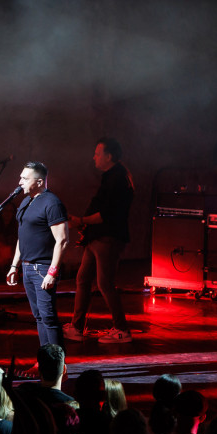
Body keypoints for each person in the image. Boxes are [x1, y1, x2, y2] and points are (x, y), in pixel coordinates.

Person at [65, 138, 135, 344]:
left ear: (109, 156)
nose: (94, 157)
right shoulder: (113, 176)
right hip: (98, 238)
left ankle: (122, 330)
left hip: (107, 238)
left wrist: (81, 221)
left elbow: (105, 214)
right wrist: (83, 225)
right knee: (83, 279)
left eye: (97, 153)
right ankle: (77, 327)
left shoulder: (117, 179)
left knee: (105, 284)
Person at [6, 162, 70, 355]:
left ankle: (59, 366)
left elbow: (63, 240)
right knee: (39, 317)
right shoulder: (26, 202)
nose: (20, 182)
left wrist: (52, 272)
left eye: (25, 178)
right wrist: (14, 265)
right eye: (20, 177)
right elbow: (22, 236)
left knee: (48, 317)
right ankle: (45, 360)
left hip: (42, 268)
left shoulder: (52, 203)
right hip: (26, 267)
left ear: (40, 181)